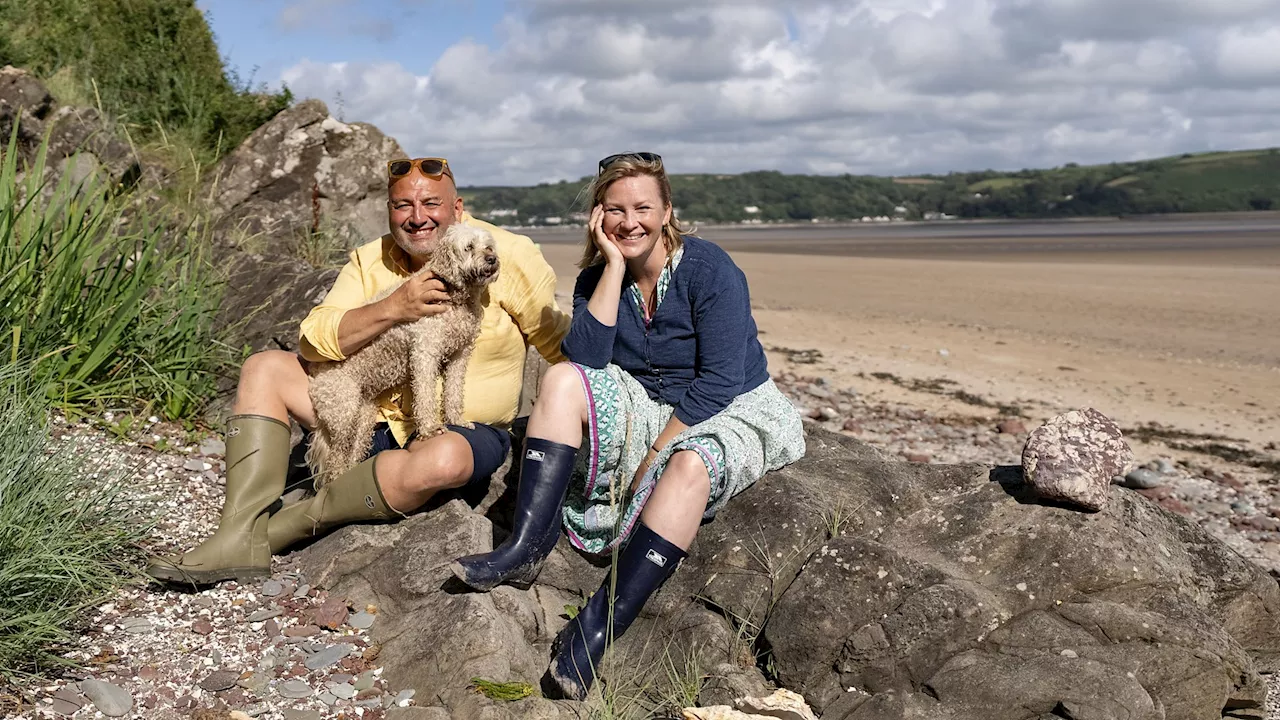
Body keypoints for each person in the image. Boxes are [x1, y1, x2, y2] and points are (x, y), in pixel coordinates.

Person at [450, 152, 805, 699]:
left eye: (643, 207)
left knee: (687, 465)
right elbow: (586, 359)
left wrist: (653, 456)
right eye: (614, 210)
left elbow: (718, 381)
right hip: (650, 398)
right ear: (598, 217)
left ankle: (598, 625)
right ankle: (522, 549)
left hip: (731, 403)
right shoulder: (598, 275)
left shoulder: (710, 269)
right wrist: (613, 268)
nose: (629, 221)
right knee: (564, 380)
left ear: (667, 211)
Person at [147, 157, 571, 586]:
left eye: (431, 203)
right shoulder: (371, 260)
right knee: (263, 369)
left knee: (441, 460)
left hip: (462, 430)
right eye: (402, 205)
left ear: (457, 208)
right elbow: (313, 338)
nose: (417, 217)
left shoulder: (507, 254)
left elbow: (557, 344)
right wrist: (393, 307)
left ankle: (281, 528)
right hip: (363, 411)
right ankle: (236, 534)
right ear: (389, 211)